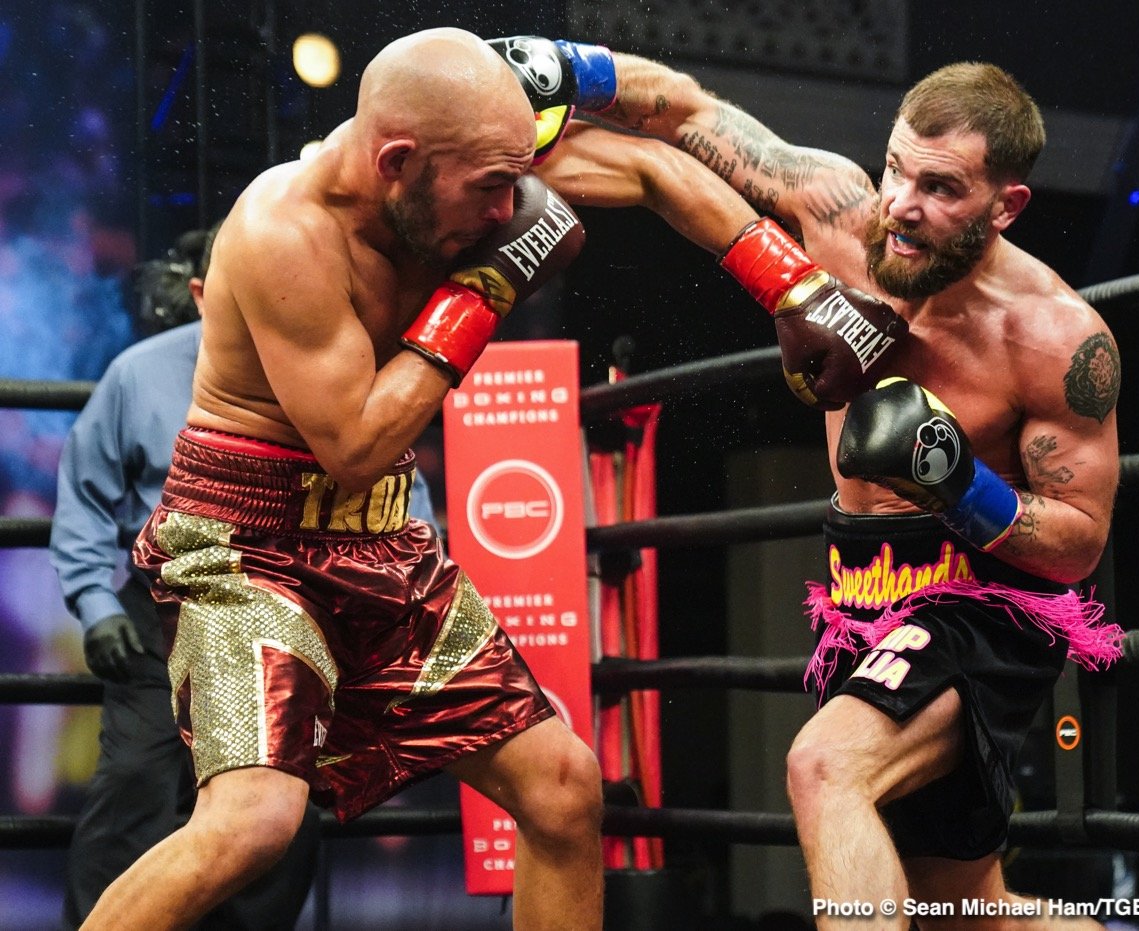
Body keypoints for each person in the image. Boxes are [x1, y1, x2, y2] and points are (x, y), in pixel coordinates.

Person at [79, 27, 854, 931]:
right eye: (489, 189)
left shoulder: (476, 145)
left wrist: (795, 295)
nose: (505, 210)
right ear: (398, 161)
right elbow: (359, 443)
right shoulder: (282, 231)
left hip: (379, 541)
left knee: (563, 787)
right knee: (253, 821)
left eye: (509, 185)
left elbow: (652, 166)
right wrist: (490, 282)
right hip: (249, 547)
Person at [519, 40, 1125, 926]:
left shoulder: (1056, 339)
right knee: (968, 906)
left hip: (981, 604)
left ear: (1007, 205)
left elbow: (1078, 542)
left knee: (824, 767)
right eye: (896, 171)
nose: (902, 208)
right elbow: (685, 114)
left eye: (941, 189)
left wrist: (961, 484)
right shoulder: (841, 212)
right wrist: (563, 76)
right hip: (861, 589)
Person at [51, 222, 342, 930]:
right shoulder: (141, 373)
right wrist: (97, 606)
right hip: (164, 605)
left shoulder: (334, 370)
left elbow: (397, 502)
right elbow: (85, 491)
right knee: (135, 787)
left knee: (275, 806)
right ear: (202, 293)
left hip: (287, 605)